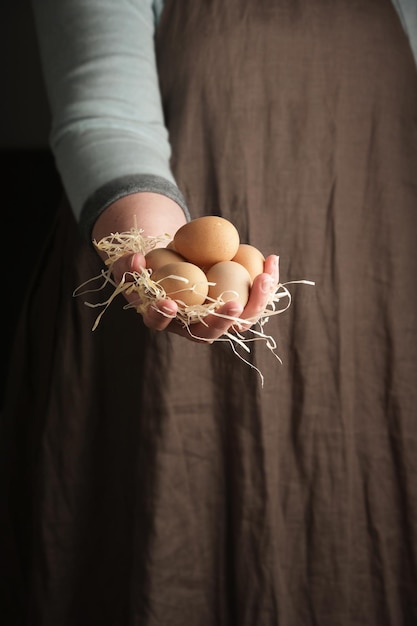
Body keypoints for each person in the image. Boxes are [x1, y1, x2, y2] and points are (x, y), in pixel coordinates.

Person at [1, 1, 417, 624]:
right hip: (142, 318)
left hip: (370, 297)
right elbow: (106, 114)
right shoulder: (155, 266)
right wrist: (152, 258)